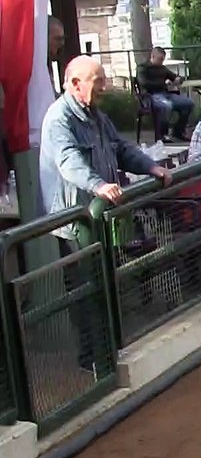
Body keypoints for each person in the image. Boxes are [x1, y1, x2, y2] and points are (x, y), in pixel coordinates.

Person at [39, 55, 172, 373]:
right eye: (98, 84)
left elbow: (120, 148)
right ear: (75, 84)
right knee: (86, 292)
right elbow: (68, 160)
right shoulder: (59, 119)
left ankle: (109, 350)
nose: (104, 89)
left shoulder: (95, 114)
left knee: (105, 284)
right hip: (75, 223)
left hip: (101, 216)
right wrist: (98, 185)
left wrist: (150, 166)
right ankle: (93, 360)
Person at [137, 47, 195, 141]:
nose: (161, 62)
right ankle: (162, 135)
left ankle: (178, 131)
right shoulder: (143, 68)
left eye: (163, 59)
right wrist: (163, 84)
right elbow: (144, 83)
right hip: (150, 96)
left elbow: (174, 76)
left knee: (188, 103)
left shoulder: (162, 68)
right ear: (152, 56)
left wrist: (178, 79)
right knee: (166, 106)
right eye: (160, 59)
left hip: (166, 94)